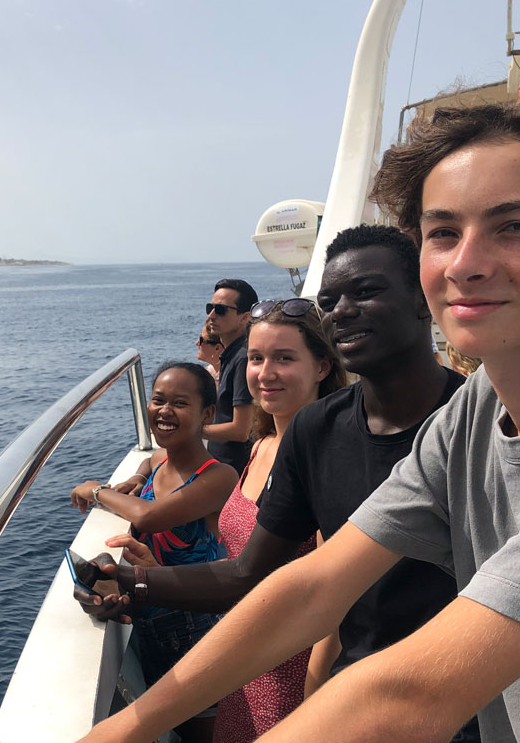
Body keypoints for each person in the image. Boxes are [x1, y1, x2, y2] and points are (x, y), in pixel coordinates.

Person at [78, 93, 520, 743]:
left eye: (515, 226)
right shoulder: (475, 411)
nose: (465, 262)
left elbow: (416, 693)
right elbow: (312, 586)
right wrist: (126, 726)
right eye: (443, 233)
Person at [76, 225, 473, 739]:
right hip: (352, 701)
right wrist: (132, 581)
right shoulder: (318, 430)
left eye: (367, 291)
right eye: (329, 300)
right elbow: (249, 574)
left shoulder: (474, 426)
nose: (342, 310)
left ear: (425, 299)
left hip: (458, 708)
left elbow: (317, 593)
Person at [109, 297, 347, 742]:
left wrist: (315, 709)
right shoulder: (263, 446)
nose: (265, 372)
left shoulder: (328, 461)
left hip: (290, 677)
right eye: (256, 358)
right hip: (242, 659)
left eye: (284, 358)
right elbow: (237, 556)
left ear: (321, 367)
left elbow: (335, 605)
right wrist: (155, 575)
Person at [70, 361, 238, 743]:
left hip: (195, 629)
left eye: (180, 403)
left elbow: (150, 515)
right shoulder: (162, 459)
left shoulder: (218, 476)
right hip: (152, 616)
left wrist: (98, 491)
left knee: (203, 733)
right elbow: (149, 461)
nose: (163, 411)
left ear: (207, 414)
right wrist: (136, 478)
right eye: (157, 400)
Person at [202, 278, 258, 474]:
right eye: (210, 307)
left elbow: (241, 430)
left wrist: (189, 431)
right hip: (221, 467)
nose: (211, 315)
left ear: (245, 317)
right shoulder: (230, 354)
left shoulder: (243, 358)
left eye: (221, 310)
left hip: (233, 475)